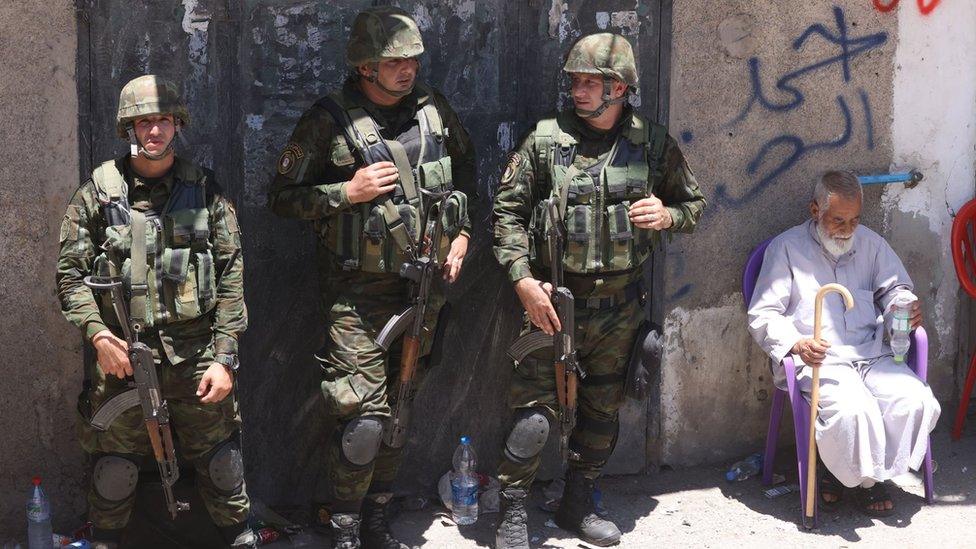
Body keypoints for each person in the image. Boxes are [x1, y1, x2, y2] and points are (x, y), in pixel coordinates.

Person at [267, 7, 475, 549]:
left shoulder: (433, 111)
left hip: (423, 287)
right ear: (365, 67)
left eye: (412, 60)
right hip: (356, 296)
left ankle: (377, 514)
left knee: (403, 401)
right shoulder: (327, 121)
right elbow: (281, 198)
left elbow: (467, 176)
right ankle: (345, 524)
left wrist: (462, 237)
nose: (407, 70)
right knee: (363, 417)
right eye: (394, 62)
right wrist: (346, 193)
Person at [491, 33, 706, 548]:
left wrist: (668, 214)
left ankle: (577, 502)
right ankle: (513, 513)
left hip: (619, 310)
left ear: (621, 89)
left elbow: (693, 206)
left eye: (591, 83)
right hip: (552, 302)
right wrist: (523, 281)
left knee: (602, 413)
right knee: (534, 417)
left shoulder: (652, 145)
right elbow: (507, 214)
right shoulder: (544, 142)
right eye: (575, 82)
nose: (579, 91)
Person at [55, 75, 254, 548]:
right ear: (129, 128)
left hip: (195, 358)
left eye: (163, 120)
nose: (155, 131)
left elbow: (230, 276)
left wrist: (224, 360)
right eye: (144, 121)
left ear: (177, 124)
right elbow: (69, 275)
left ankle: (240, 537)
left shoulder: (205, 191)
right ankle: (105, 540)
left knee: (221, 462)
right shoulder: (98, 195)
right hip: (123, 357)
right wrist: (99, 336)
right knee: (114, 468)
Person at [747, 170, 940, 516]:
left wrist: (904, 306)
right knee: (854, 410)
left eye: (854, 220)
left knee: (915, 401)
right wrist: (796, 344)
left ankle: (868, 474)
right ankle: (858, 479)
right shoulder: (787, 249)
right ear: (814, 210)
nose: (848, 229)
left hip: (870, 353)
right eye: (838, 220)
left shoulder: (871, 244)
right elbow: (763, 314)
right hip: (820, 359)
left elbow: (896, 288)